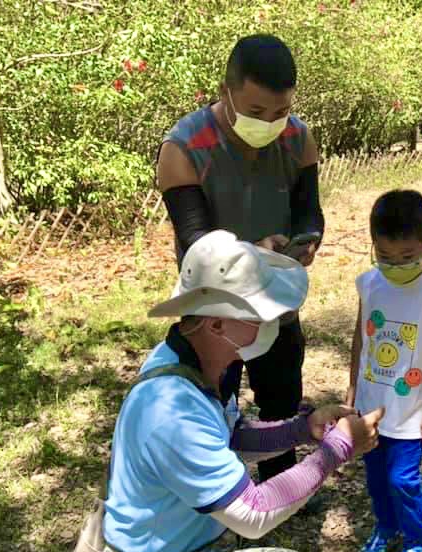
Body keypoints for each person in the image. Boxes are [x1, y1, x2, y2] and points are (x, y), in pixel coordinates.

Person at [99, 231, 382, 552]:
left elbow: (231, 437)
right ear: (215, 322)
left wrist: (302, 429)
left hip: (182, 544)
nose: (270, 322)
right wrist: (337, 448)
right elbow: (251, 514)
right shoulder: (171, 407)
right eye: (257, 314)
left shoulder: (202, 365)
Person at [157, 34, 325, 484]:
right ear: (224, 92)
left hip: (276, 302)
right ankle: (216, 486)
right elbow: (195, 240)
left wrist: (307, 241)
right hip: (214, 308)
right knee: (213, 401)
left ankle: (277, 480)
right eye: (255, 113)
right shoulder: (183, 149)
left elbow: (309, 211)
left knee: (282, 397)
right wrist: (255, 256)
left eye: (280, 112)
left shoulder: (299, 139)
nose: (270, 123)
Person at [347, 190, 422, 552]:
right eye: (385, 256)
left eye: (408, 256)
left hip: (413, 408)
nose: (395, 265)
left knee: (402, 478)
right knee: (376, 475)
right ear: (373, 245)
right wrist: (352, 389)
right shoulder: (369, 283)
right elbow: (361, 339)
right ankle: (386, 526)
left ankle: (418, 539)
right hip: (371, 404)